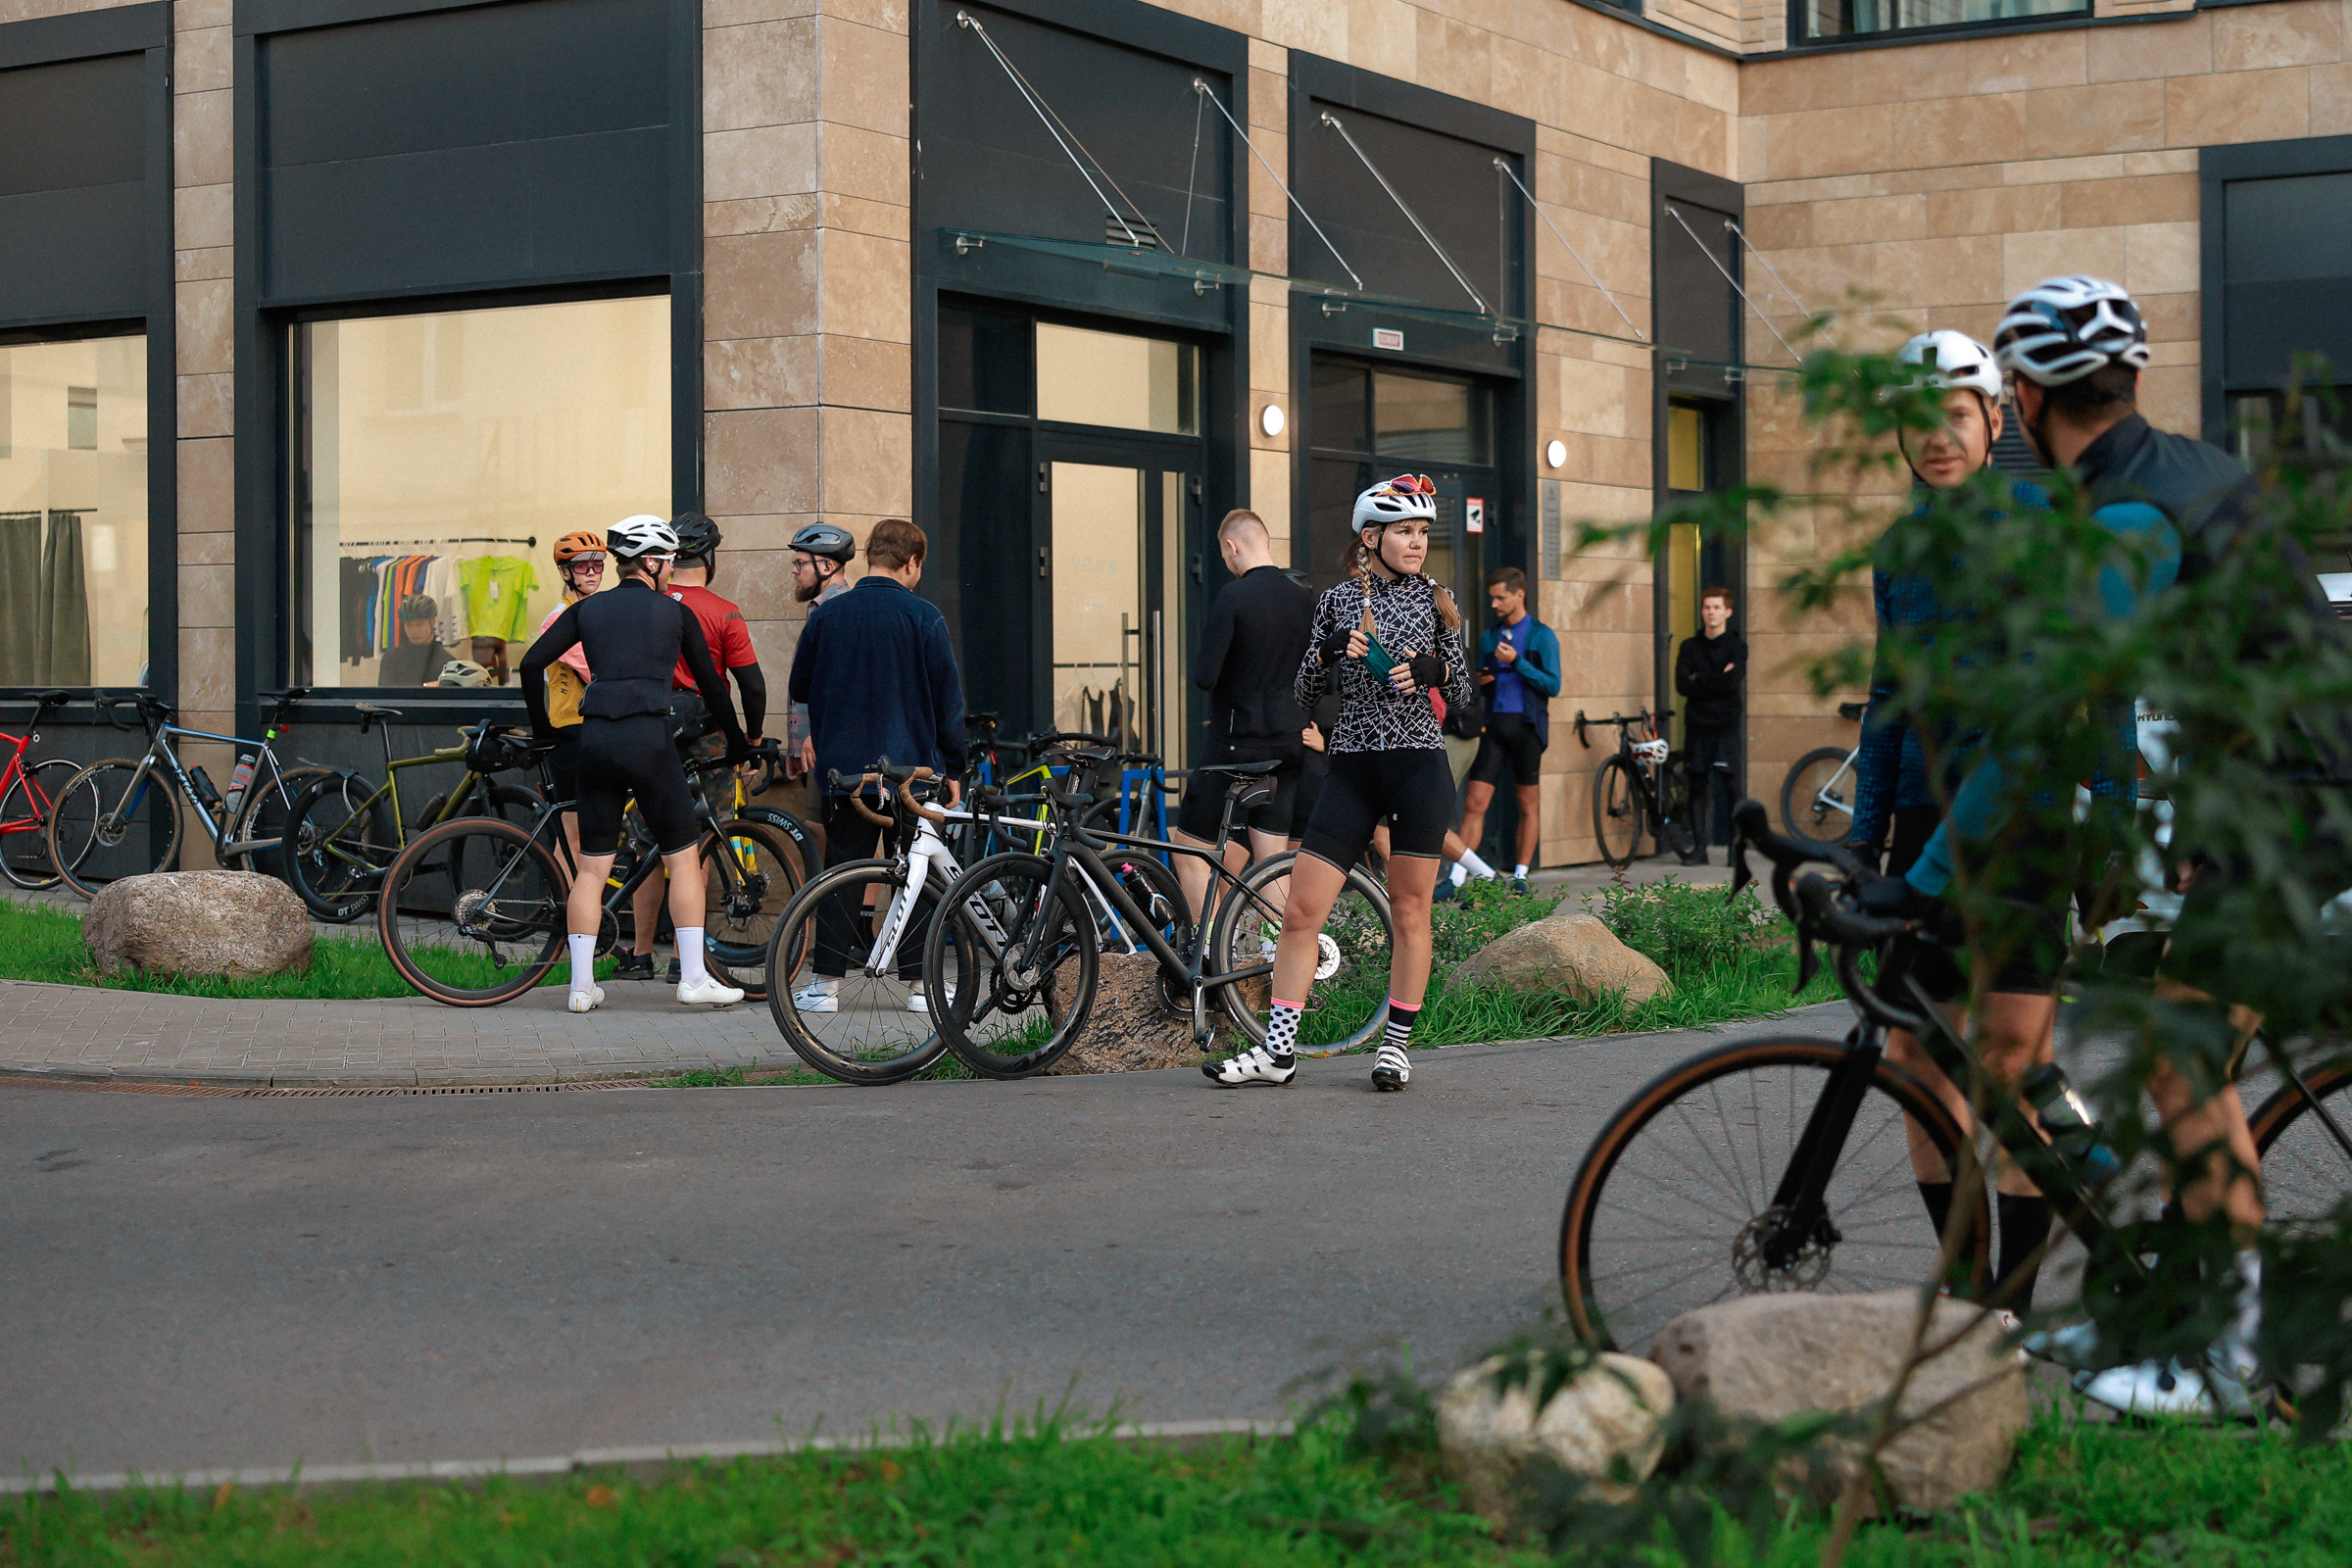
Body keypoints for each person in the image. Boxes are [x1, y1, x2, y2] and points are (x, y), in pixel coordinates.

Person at [1958, 276, 2347, 1416]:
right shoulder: (2178, 470)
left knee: (2181, 1064)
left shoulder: (2125, 507)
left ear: (2026, 396)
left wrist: (1931, 871)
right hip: (2286, 786)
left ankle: (2223, 1360)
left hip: (2302, 796)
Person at [1846, 328, 2068, 1324]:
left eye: (1953, 413)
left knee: (2010, 1059)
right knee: (1914, 1058)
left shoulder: (2036, 522)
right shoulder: (1901, 548)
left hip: (2019, 821)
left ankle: (2013, 1302)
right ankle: (1969, 1283)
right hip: (1923, 822)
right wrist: (1863, 837)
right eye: (1912, 419)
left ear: (1993, 418)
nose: (1933, 436)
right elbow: (1891, 696)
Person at [1207, 474, 1472, 1093]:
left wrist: (1436, 668)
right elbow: (1299, 694)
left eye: (1423, 532)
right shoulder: (1335, 602)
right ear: (1370, 536)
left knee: (1410, 910)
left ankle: (1397, 1049)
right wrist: (1327, 654)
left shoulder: (1439, 600)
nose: (1415, 543)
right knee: (1301, 911)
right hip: (1351, 770)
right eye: (1404, 531)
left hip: (1417, 768)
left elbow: (1462, 695)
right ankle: (1278, 1054)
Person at [520, 514, 752, 1012]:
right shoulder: (673, 613)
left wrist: (543, 734)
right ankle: (692, 978)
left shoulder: (588, 610)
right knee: (682, 857)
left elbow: (529, 664)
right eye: (666, 562)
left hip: (596, 739)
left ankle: (581, 987)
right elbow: (713, 686)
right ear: (650, 562)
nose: (670, 570)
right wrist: (738, 742)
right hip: (649, 737)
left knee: (591, 869)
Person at [785, 517, 967, 1014]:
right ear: (911, 563)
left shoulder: (827, 616)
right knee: (918, 873)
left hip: (845, 773)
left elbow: (799, 686)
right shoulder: (924, 617)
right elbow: (948, 702)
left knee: (842, 871)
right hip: (914, 773)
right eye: (919, 567)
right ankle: (919, 988)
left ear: (870, 557)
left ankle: (824, 987)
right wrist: (955, 767)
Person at [613, 512, 768, 984]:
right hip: (706, 736)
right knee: (696, 845)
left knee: (646, 845)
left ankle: (640, 953)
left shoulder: (644, 605)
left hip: (647, 730)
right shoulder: (723, 611)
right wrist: (754, 740)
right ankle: (687, 957)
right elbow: (751, 685)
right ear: (711, 559)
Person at [1173, 510, 1315, 920]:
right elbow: (1322, 677)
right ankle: (1285, 960)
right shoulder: (1304, 600)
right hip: (1289, 741)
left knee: (1190, 848)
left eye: (1225, 555)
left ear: (1231, 547)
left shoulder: (1234, 596)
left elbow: (1205, 676)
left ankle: (1214, 961)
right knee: (1271, 864)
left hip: (1236, 743)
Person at [1455, 566, 1560, 894]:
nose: (1495, 604)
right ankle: (1458, 878)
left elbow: (1553, 685)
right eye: (1492, 598)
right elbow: (1483, 683)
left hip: (1527, 727)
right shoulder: (1489, 636)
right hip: (1494, 727)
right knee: (1475, 802)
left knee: (1527, 803)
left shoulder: (1543, 635)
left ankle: (1520, 876)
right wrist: (1483, 680)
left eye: (1501, 597)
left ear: (1519, 595)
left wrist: (1517, 662)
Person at [532, 530, 607, 867]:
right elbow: (597, 672)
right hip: (571, 733)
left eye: (597, 565)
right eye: (582, 567)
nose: (591, 572)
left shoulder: (592, 613)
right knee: (573, 836)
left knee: (589, 834)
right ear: (565, 572)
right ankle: (564, 913)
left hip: (594, 731)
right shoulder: (560, 619)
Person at [1673, 586, 1746, 865]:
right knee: (1696, 785)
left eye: (1716, 607)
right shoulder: (1689, 647)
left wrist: (1699, 679)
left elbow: (1731, 683)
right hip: (1697, 725)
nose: (1710, 613)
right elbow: (1682, 685)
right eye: (1706, 607)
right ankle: (1699, 850)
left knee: (1731, 784)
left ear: (1728, 612)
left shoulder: (1737, 647)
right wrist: (1716, 677)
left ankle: (1735, 851)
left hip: (1726, 725)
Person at [782, 521, 858, 788]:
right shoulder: (819, 608)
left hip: (828, 747)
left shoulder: (840, 612)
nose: (794, 570)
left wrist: (814, 736)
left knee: (820, 826)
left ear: (827, 567)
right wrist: (795, 746)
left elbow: (842, 685)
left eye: (800, 563)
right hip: (813, 751)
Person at [378, 595, 455, 687]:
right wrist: (426, 687)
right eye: (409, 625)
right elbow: (385, 696)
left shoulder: (447, 662)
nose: (414, 631)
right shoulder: (391, 659)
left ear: (433, 622)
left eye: (419, 624)